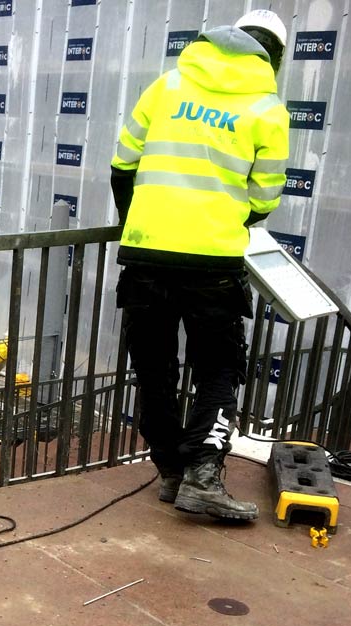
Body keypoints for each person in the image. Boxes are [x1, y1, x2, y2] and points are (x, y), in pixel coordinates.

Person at [110, 10, 290, 521]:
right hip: (212, 261)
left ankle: (170, 470)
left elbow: (122, 165)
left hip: (146, 254)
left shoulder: (167, 86)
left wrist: (140, 224)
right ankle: (203, 475)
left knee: (154, 367)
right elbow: (264, 198)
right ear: (273, 56)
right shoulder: (267, 109)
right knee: (218, 368)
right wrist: (220, 216)